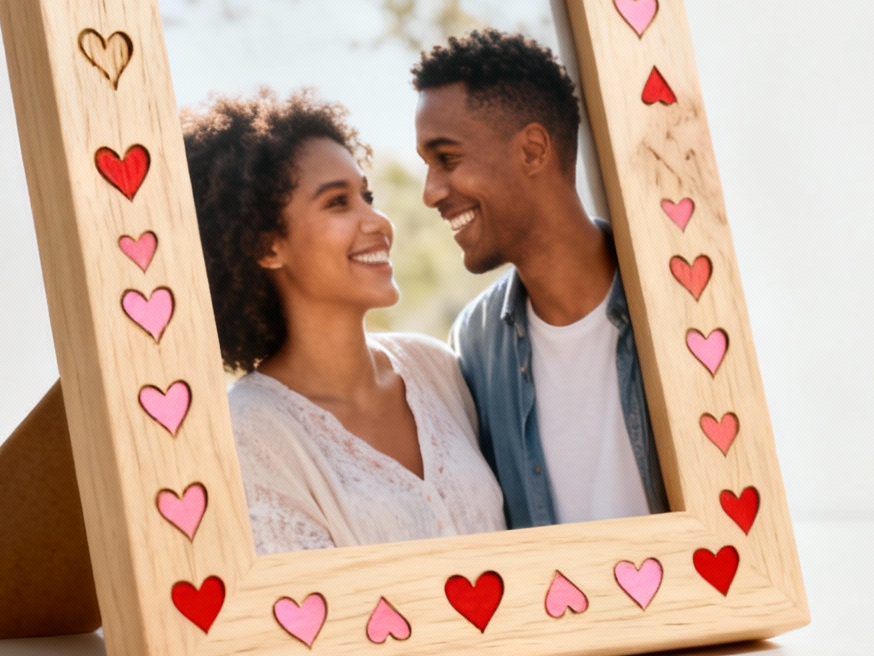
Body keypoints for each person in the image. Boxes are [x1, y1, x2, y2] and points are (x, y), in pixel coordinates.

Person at [184, 88, 507, 555]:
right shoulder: (250, 433)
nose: (377, 221)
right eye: (338, 202)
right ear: (266, 246)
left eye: (366, 195)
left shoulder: (435, 368)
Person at [413, 29, 669, 529]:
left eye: (447, 159)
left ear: (532, 150)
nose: (430, 193)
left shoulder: (677, 299)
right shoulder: (475, 344)